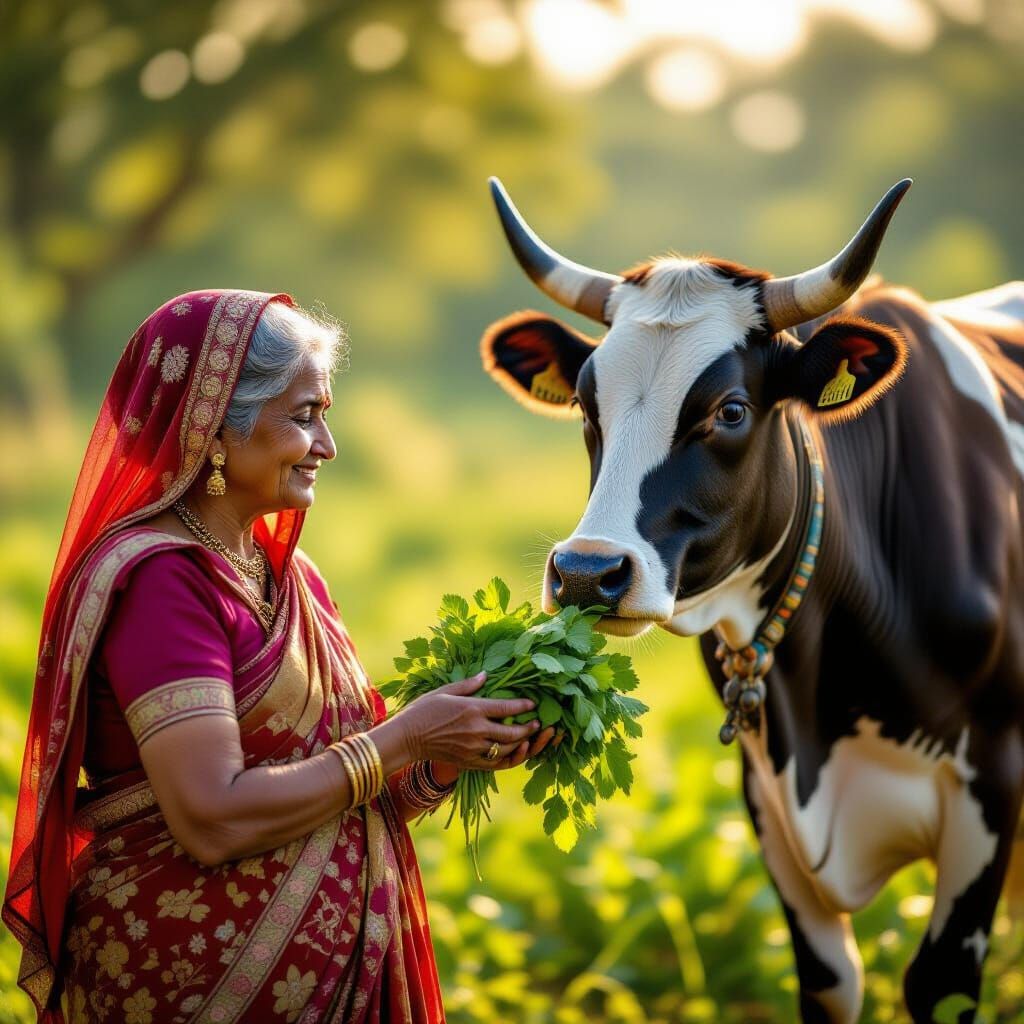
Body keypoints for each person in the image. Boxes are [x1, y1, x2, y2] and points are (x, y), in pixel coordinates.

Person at [3, 290, 556, 1023]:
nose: (326, 446)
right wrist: (406, 735)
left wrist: (453, 750)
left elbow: (355, 796)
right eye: (303, 417)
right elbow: (213, 816)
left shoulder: (290, 577)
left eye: (324, 414)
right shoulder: (163, 582)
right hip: (192, 983)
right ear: (214, 433)